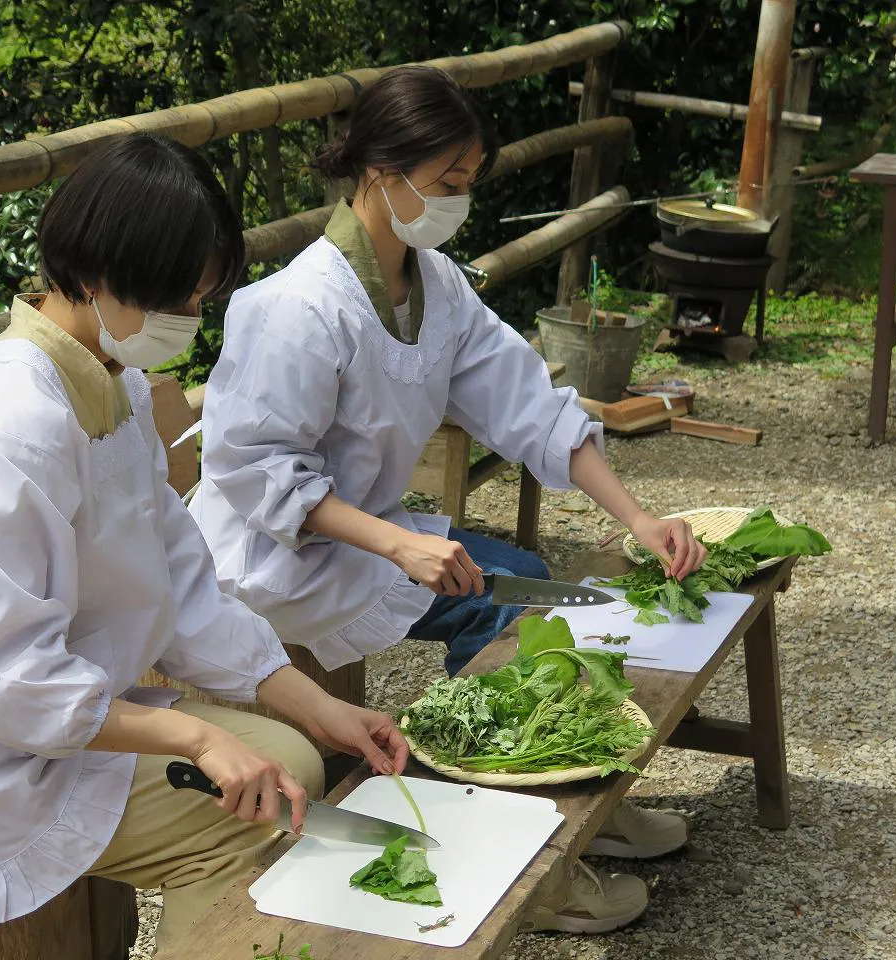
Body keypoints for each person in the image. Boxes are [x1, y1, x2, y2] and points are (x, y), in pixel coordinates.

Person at [0, 132, 408, 948]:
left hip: (49, 716)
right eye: (178, 302)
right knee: (261, 810)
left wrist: (320, 705)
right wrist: (196, 734)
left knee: (289, 759)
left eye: (199, 300)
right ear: (93, 278)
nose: (190, 322)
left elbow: (182, 584)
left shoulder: (103, 385)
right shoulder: (4, 431)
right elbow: (1, 682)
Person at [191, 65, 705, 934]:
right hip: (267, 553)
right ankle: (523, 860)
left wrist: (638, 518)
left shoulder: (438, 285)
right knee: (501, 602)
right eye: (445, 184)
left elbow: (528, 404)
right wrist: (396, 546)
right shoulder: (294, 307)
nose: (457, 202)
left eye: (467, 185)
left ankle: (563, 809)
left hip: (362, 538)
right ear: (379, 173)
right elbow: (254, 471)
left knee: (519, 581)